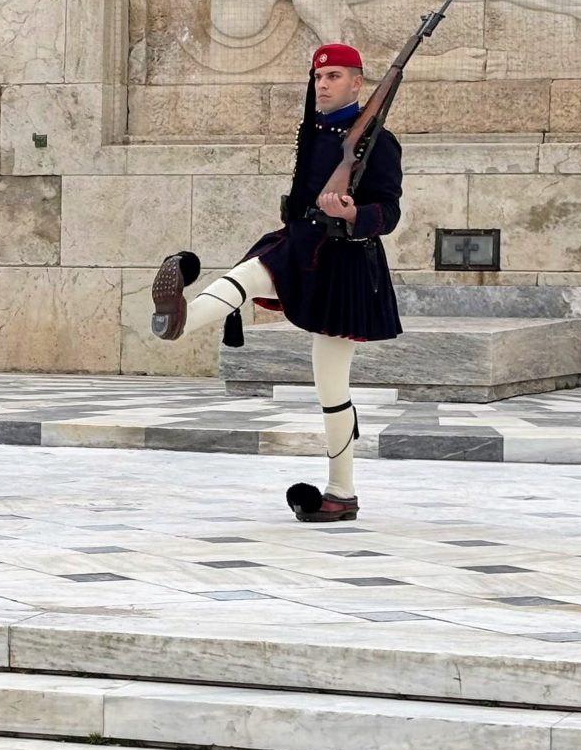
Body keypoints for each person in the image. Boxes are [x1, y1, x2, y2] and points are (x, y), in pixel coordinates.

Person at [149, 43, 403, 523]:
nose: (323, 85)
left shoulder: (379, 143)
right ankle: (179, 318)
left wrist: (355, 214)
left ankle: (341, 492)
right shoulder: (312, 132)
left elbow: (388, 211)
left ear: (357, 84)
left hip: (344, 263)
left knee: (331, 386)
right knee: (243, 276)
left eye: (334, 77)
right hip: (298, 242)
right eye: (318, 77)